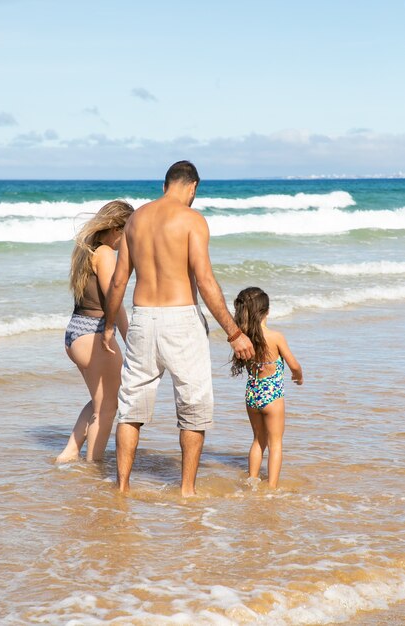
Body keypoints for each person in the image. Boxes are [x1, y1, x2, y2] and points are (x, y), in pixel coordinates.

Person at [102, 160, 254, 496]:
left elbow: (117, 282)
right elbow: (205, 280)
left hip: (141, 317)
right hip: (181, 320)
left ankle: (123, 488)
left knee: (130, 409)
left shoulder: (135, 221)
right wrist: (234, 332)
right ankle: (186, 490)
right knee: (193, 407)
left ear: (165, 184)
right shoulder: (192, 220)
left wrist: (109, 325)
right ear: (193, 186)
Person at [56, 200, 134, 463]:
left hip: (75, 332)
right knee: (109, 407)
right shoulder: (104, 253)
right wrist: (130, 340)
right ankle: (94, 467)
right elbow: (115, 301)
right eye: (128, 233)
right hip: (93, 332)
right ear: (116, 229)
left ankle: (69, 452)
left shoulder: (84, 249)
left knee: (100, 400)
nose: (128, 241)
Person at [231, 287, 303, 489]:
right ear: (267, 311)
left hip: (252, 395)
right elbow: (294, 364)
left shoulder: (243, 339)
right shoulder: (275, 337)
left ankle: (252, 481)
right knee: (275, 444)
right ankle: (271, 488)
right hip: (273, 397)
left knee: (257, 441)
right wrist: (298, 376)